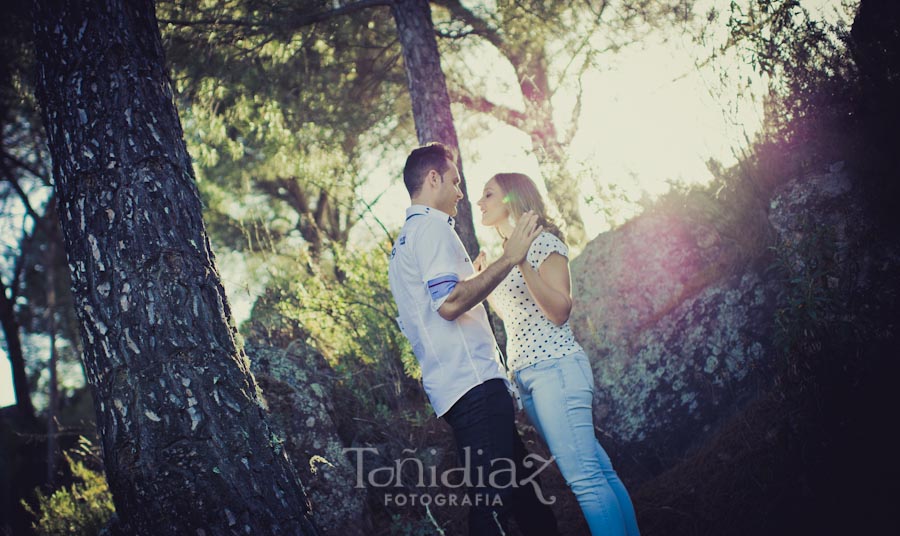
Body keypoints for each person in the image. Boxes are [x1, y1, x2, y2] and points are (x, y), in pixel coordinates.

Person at [388, 144, 559, 536]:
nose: (462, 194)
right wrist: (510, 257)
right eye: (455, 181)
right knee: (492, 506)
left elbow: (434, 307)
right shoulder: (431, 228)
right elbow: (448, 305)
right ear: (433, 179)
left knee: (528, 498)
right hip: (474, 388)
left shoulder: (402, 246)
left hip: (460, 388)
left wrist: (473, 276)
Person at [474, 172, 640, 536]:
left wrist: (519, 262)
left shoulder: (541, 243)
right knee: (598, 471)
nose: (479, 202)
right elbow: (518, 316)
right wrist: (488, 285)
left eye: (488, 194)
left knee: (585, 481)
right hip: (529, 377)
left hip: (557, 370)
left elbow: (559, 309)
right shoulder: (508, 252)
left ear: (512, 199)